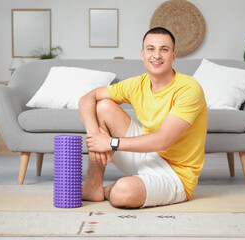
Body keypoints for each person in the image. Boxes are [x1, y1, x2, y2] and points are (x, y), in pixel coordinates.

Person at [78, 27, 208, 208]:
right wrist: (95, 137)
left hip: (176, 175)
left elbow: (163, 140)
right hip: (147, 155)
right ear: (142, 54)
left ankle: (110, 189)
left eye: (164, 49)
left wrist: (110, 143)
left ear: (173, 56)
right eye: (150, 49)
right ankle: (93, 185)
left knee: (121, 193)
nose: (157, 55)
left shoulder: (189, 88)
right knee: (103, 106)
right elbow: (86, 98)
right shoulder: (137, 84)